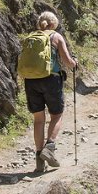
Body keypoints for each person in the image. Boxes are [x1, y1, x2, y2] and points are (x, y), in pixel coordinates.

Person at [22, 11, 78, 173]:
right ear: (53, 24)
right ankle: (50, 146)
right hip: (51, 79)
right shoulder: (56, 37)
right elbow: (67, 61)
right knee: (56, 115)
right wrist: (75, 63)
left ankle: (39, 158)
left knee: (38, 119)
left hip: (31, 81)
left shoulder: (30, 37)